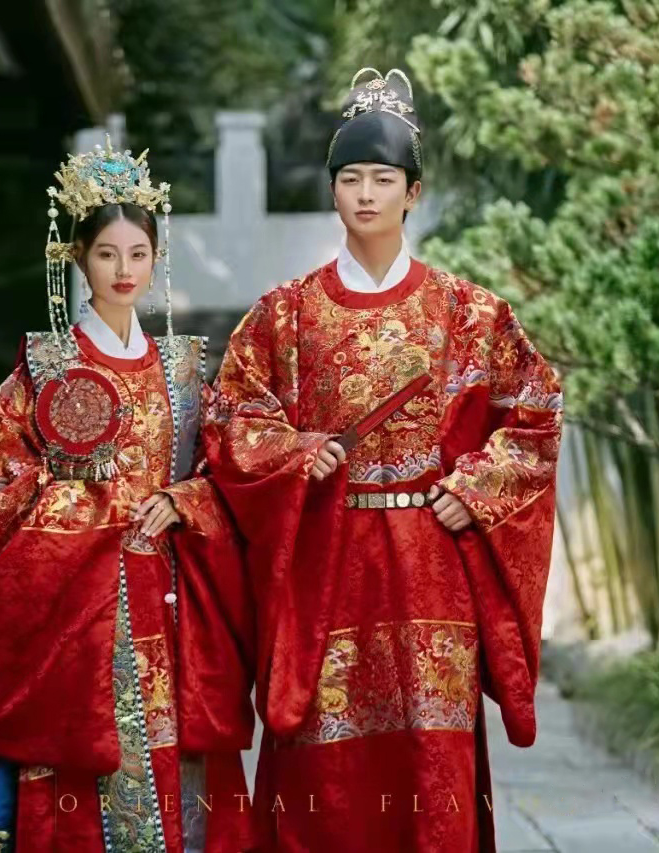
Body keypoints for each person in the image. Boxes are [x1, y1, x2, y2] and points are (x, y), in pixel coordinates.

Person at [203, 68, 563, 852]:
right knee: (320, 769)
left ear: (413, 193)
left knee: (430, 764)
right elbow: (231, 416)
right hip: (327, 565)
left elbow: (537, 408)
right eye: (350, 178)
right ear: (333, 190)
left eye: (383, 178)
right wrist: (296, 453)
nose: (365, 193)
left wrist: (478, 487)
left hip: (430, 567)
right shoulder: (285, 314)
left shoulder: (469, 313)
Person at [0, 140, 255, 853]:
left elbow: (226, 473)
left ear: (156, 259)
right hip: (80, 618)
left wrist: (185, 501)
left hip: (170, 605)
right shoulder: (46, 370)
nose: (124, 271)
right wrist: (89, 508)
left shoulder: (183, 372)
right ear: (78, 257)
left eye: (138, 254)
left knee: (179, 784)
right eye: (108, 254)